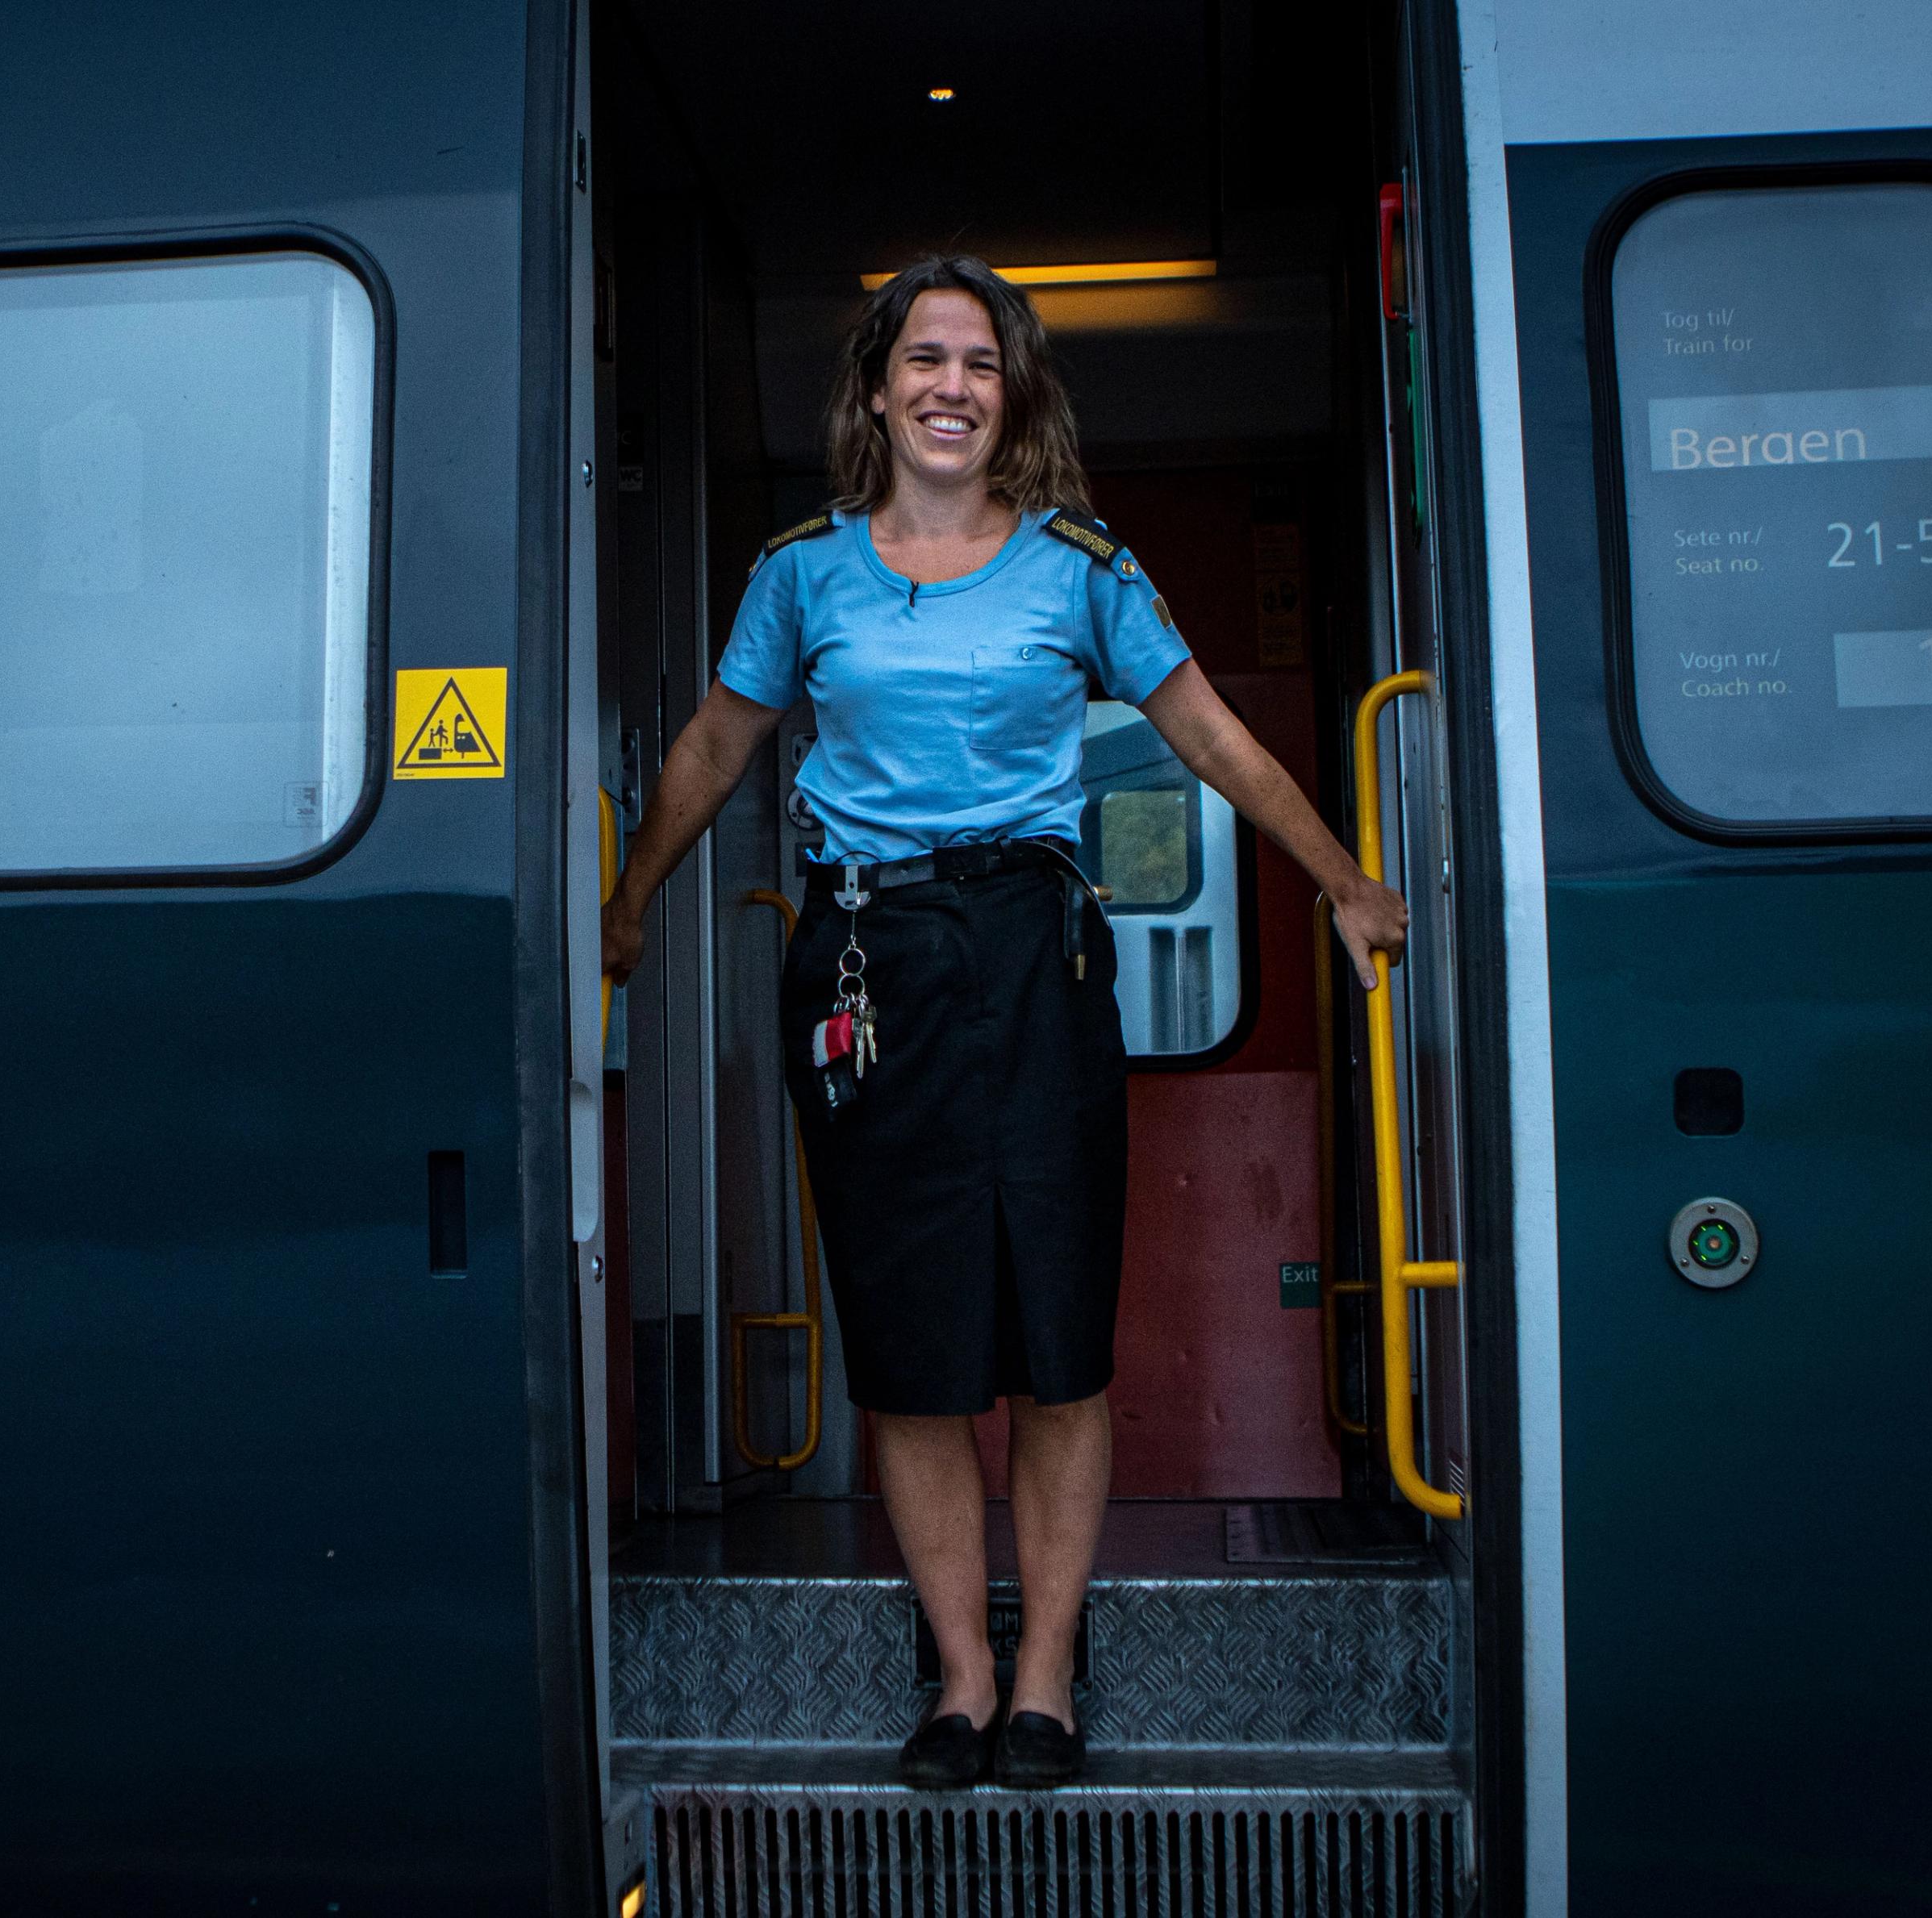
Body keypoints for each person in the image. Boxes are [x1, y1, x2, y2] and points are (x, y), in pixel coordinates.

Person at [600, 257, 1409, 1790]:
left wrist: (1343, 881)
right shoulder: (802, 573)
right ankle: (960, 1676)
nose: (952, 386)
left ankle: (1047, 1673)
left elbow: (1209, 733)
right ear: (877, 388)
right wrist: (629, 902)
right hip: (868, 958)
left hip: (1039, 955)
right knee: (910, 1347)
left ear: (1014, 394)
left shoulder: (1082, 566)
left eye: (980, 362)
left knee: (1056, 1334)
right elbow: (712, 745)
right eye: (926, 358)